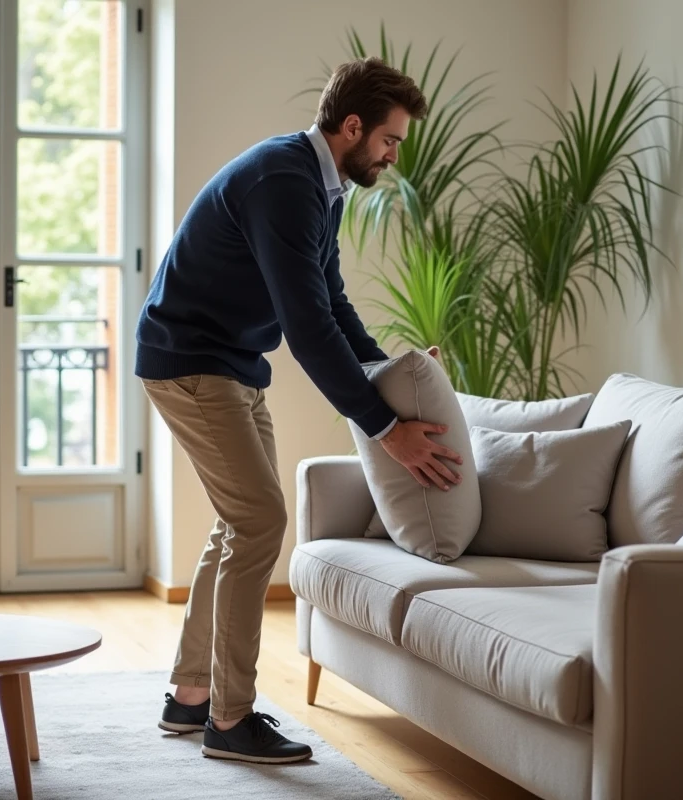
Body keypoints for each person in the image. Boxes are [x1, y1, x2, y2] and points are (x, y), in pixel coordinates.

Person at [134, 57, 463, 764]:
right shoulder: (284, 182)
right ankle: (231, 717)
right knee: (261, 520)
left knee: (241, 522)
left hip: (233, 365)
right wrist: (384, 429)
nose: (393, 156)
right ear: (352, 127)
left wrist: (395, 375)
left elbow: (332, 300)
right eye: (389, 140)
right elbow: (307, 324)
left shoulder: (322, 185)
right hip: (191, 363)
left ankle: (191, 697)